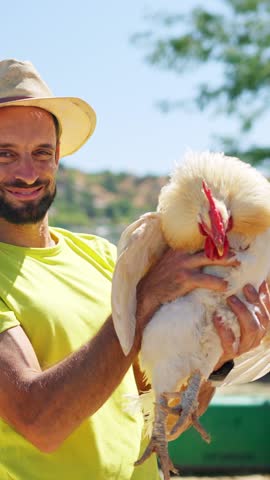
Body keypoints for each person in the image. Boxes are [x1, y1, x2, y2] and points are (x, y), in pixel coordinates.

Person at [0, 59, 268, 480]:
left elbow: (168, 412)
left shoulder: (106, 257)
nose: (27, 172)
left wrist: (217, 359)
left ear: (58, 159)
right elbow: (41, 422)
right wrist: (145, 299)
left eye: (41, 153)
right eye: (5, 154)